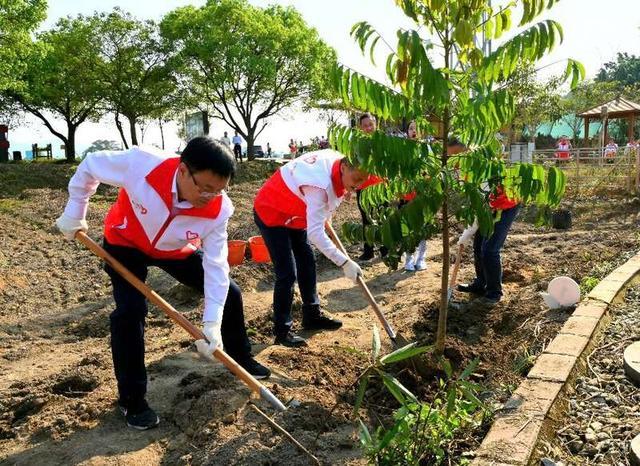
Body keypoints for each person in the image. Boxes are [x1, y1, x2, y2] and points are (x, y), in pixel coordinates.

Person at [55, 137, 270, 430]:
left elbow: (217, 266)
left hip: (174, 250)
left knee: (230, 293)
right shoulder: (142, 165)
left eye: (219, 190)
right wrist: (74, 212)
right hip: (126, 243)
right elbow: (90, 165)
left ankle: (240, 357)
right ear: (183, 171)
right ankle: (132, 400)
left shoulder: (219, 209)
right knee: (130, 312)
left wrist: (211, 325)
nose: (211, 196)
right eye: (205, 188)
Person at [253, 149, 369, 347]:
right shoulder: (319, 185)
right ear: (343, 167)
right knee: (287, 273)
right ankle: (282, 331)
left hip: (297, 213)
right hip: (272, 211)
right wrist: (344, 262)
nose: (358, 186)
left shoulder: (338, 163)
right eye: (356, 179)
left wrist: (344, 190)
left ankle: (312, 316)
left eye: (361, 182)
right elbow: (315, 233)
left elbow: (326, 207)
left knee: (307, 260)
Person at [456, 154, 520, 307]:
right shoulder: (466, 172)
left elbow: (481, 210)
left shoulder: (481, 174)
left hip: (506, 206)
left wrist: (466, 234)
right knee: (478, 245)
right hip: (490, 207)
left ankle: (494, 293)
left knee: (490, 249)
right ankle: (481, 283)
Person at [355, 113, 388, 261]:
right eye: (365, 125)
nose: (368, 128)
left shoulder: (382, 142)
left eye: (370, 124)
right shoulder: (357, 144)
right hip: (363, 188)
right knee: (366, 220)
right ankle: (368, 251)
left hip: (380, 187)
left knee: (382, 218)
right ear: (360, 127)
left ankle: (384, 248)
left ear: (375, 125)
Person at [402, 120, 428, 271]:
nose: (414, 131)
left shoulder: (427, 150)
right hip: (407, 196)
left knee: (422, 230)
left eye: (417, 129)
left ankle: (421, 258)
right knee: (408, 229)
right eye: (411, 128)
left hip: (422, 198)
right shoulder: (403, 149)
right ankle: (409, 258)